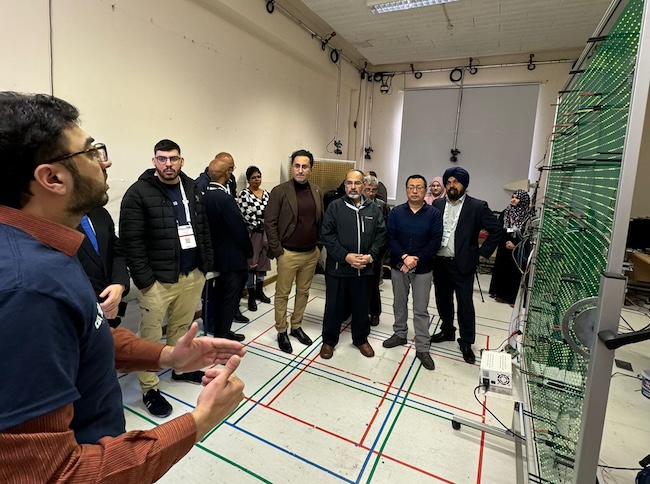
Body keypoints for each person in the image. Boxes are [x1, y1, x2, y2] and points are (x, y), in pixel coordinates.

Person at [0, 92, 246, 482]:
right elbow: (57, 475)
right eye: (91, 152)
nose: (105, 161)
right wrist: (201, 421)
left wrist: (167, 356)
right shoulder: (27, 290)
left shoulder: (45, 250)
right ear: (52, 178)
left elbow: (85, 337)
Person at [120, 139, 213, 417]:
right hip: (158, 280)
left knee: (181, 327)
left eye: (173, 159)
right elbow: (130, 241)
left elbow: (203, 229)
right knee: (148, 338)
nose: (168, 164)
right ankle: (149, 387)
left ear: (182, 161)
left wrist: (204, 265)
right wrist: (145, 280)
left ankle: (179, 369)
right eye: (162, 159)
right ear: (154, 162)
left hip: (191, 274)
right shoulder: (138, 193)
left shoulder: (193, 189)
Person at [430, 166, 503, 364]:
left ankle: (466, 342)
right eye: (449, 182)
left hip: (462, 265)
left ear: (464, 184)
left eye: (456, 182)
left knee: (465, 305)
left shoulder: (477, 206)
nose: (452, 185)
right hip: (440, 263)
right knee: (443, 300)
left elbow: (496, 230)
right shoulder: (436, 204)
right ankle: (447, 331)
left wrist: (481, 254)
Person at [319, 170, 387, 359]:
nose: (353, 187)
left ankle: (361, 339)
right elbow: (327, 235)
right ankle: (329, 341)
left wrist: (371, 256)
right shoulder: (335, 207)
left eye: (357, 183)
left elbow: (381, 234)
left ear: (363, 185)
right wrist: (345, 256)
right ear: (345, 185)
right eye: (349, 183)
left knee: (361, 307)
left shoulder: (373, 209)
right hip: (339, 269)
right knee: (333, 307)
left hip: (364, 270)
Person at [264, 149, 323, 354]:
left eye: (304, 166)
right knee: (282, 294)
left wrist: (318, 246)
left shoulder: (316, 191)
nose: (300, 170)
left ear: (310, 169)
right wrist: (278, 251)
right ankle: (281, 330)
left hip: (310, 253)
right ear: (292, 167)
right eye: (296, 166)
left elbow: (319, 221)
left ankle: (296, 326)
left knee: (303, 292)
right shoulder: (280, 191)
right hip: (288, 253)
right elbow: (269, 222)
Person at [382, 175, 442, 371]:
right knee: (399, 303)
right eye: (411, 187)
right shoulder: (396, 212)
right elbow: (390, 237)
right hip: (400, 266)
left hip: (423, 269)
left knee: (420, 309)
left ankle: (422, 347)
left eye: (419, 187)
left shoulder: (433, 214)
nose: (415, 191)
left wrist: (415, 259)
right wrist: (405, 256)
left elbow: (435, 241)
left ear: (426, 191)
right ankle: (400, 334)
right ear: (406, 190)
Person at [204, 156, 253, 342]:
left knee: (218, 296)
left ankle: (222, 330)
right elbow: (238, 229)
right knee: (230, 299)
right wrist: (249, 251)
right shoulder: (224, 199)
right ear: (227, 174)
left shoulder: (204, 195)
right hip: (232, 259)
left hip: (215, 256)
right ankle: (222, 336)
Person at [77, 207, 130, 328]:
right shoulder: (54, 224)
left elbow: (116, 249)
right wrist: (103, 303)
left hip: (111, 305)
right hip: (84, 310)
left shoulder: (99, 212)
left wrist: (119, 284)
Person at [238, 166, 272, 311]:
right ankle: (251, 294)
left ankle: (259, 290)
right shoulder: (244, 194)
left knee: (263, 262)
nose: (257, 180)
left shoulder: (267, 194)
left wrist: (268, 224)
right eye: (253, 177)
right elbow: (245, 214)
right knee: (252, 263)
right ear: (248, 179)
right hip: (252, 233)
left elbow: (271, 211)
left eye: (258, 176)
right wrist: (261, 223)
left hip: (266, 233)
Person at [489, 189, 531, 305]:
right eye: (513, 197)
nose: (513, 199)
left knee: (514, 272)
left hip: (518, 247)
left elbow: (525, 232)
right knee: (501, 268)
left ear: (523, 201)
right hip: (504, 244)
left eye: (517, 198)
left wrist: (515, 243)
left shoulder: (527, 216)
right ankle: (499, 293)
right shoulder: (505, 212)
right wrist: (507, 240)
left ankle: (510, 298)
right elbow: (501, 228)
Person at [362, 174, 391, 326]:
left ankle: (374, 313)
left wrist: (380, 253)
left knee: (373, 286)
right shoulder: (356, 204)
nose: (371, 193)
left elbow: (386, 232)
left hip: (376, 254)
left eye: (374, 190)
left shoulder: (383, 206)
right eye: (368, 190)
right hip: (358, 253)